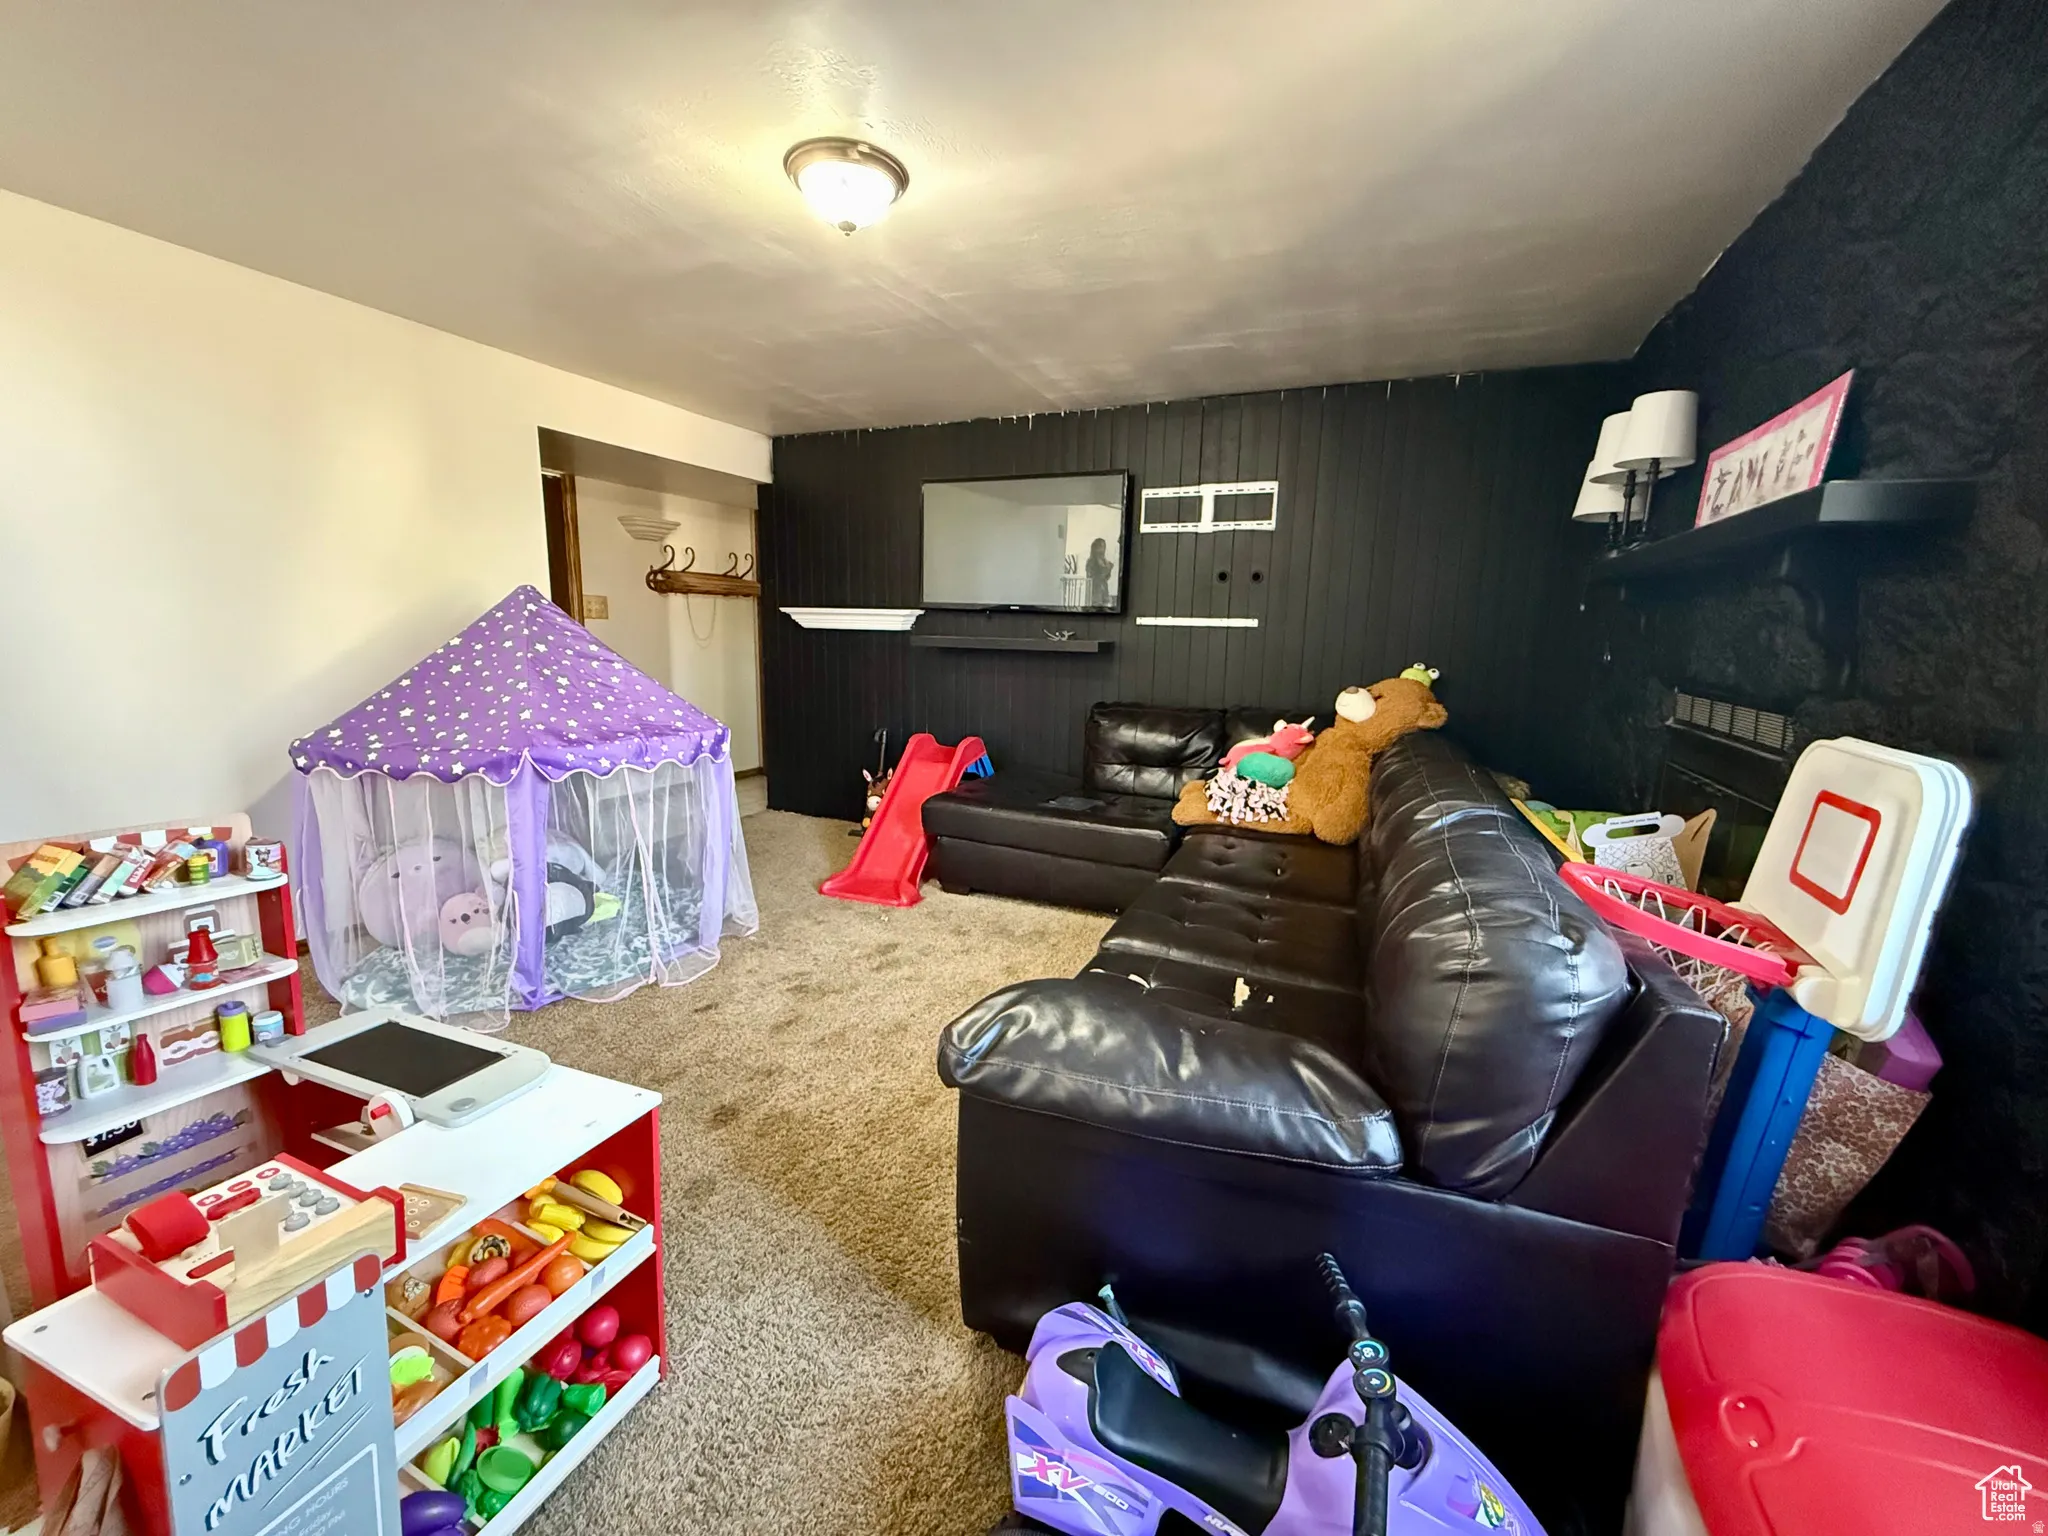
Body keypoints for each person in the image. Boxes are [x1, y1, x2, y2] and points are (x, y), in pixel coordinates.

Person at [1084, 537, 1115, 608]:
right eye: (1100, 546)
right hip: (1095, 590)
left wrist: (1109, 569)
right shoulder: (1091, 561)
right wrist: (1107, 568)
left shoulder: (1104, 560)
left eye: (1104, 546)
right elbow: (1091, 575)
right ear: (1095, 548)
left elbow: (1107, 577)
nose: (1102, 549)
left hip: (1104, 589)